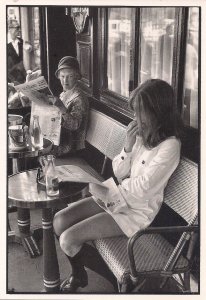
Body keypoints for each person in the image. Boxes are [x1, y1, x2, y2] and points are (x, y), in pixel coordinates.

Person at [53, 79, 183, 292]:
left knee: (68, 239)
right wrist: (128, 147)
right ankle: (80, 275)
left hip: (135, 212)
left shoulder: (170, 146)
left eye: (140, 112)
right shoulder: (143, 135)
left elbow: (142, 190)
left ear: (157, 112)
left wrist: (115, 188)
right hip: (117, 198)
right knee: (59, 221)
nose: (135, 118)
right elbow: (119, 172)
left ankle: (116, 281)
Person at [49, 56, 89, 157]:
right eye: (62, 76)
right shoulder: (65, 93)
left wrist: (61, 107)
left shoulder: (79, 98)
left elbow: (74, 126)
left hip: (70, 148)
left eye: (70, 76)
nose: (65, 80)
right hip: (60, 140)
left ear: (76, 77)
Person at [7, 19, 27, 84]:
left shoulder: (20, 41)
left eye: (19, 28)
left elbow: (20, 61)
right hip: (10, 80)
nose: (19, 30)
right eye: (17, 28)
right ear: (9, 29)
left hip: (21, 78)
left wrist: (26, 75)